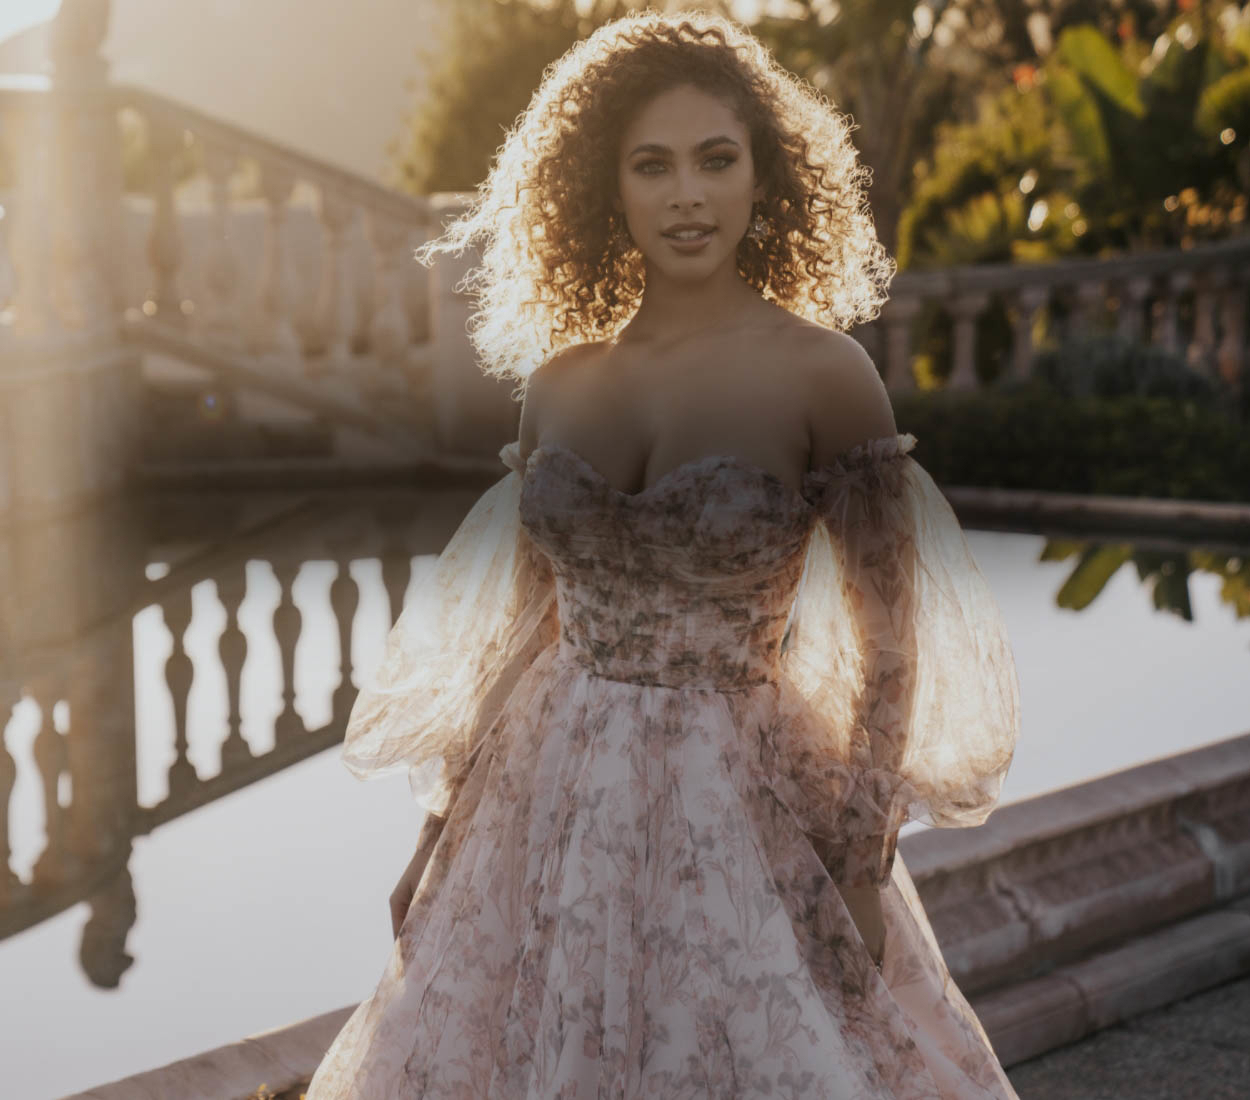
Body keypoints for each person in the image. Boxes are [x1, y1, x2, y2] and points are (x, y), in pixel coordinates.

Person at [305, 9, 1021, 1098]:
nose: (687, 195)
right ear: (606, 186)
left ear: (762, 176)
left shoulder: (822, 375)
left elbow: (889, 650)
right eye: (652, 166)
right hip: (548, 796)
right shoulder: (560, 383)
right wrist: (434, 836)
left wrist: (863, 865)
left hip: (738, 795)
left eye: (714, 160)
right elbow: (523, 627)